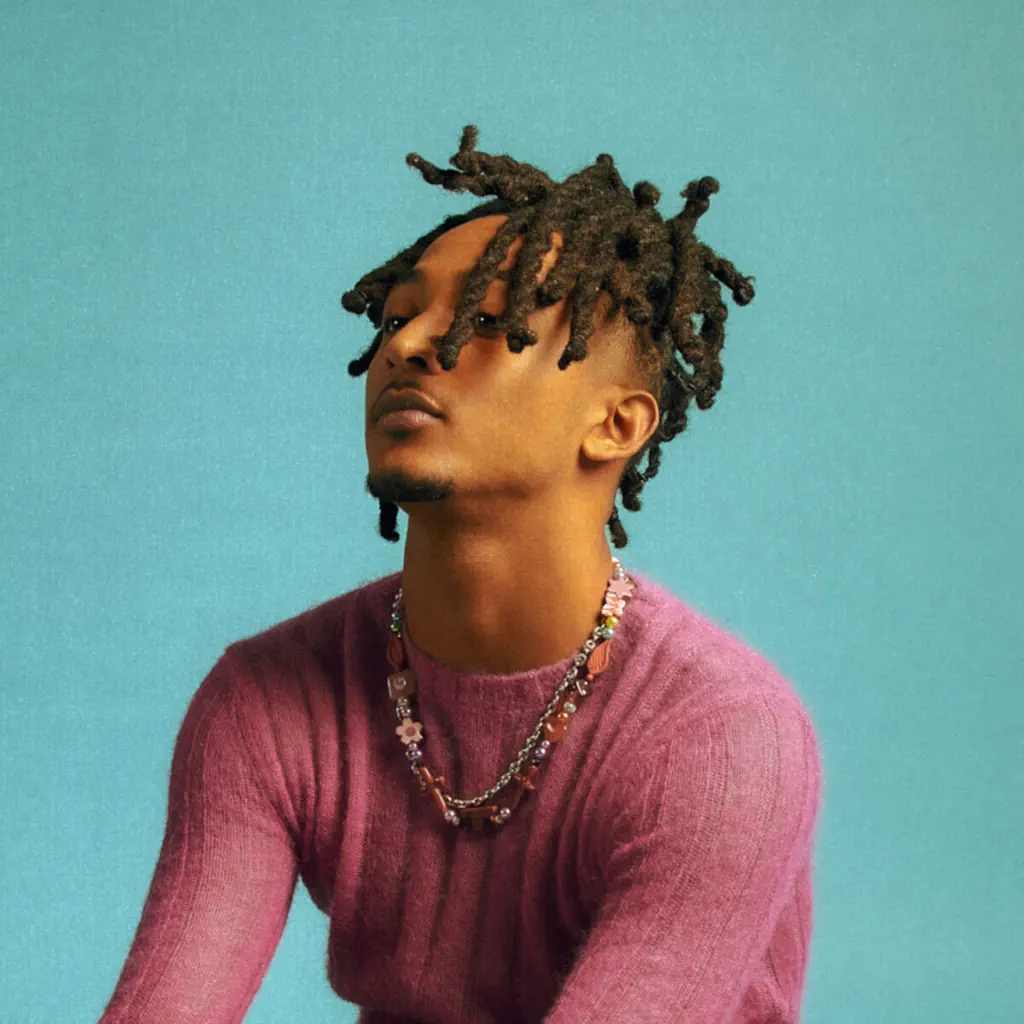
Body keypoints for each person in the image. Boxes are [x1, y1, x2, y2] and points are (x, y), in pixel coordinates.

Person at [98, 126, 822, 1023]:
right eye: (396, 317)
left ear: (616, 424)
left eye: (484, 321)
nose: (406, 345)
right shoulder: (265, 702)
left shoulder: (724, 739)